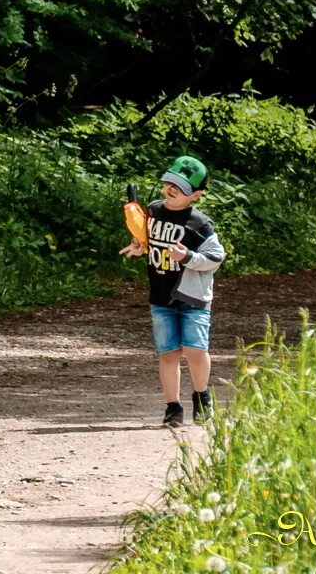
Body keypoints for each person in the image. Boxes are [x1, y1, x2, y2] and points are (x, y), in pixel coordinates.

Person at [119, 155, 226, 428]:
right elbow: (146, 238)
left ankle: (202, 397)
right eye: (170, 183)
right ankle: (172, 408)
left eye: (180, 187)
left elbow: (215, 258)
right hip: (161, 295)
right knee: (168, 353)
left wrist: (188, 257)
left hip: (192, 298)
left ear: (197, 195)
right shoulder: (153, 211)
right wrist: (139, 246)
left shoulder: (200, 224)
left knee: (194, 349)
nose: (172, 189)